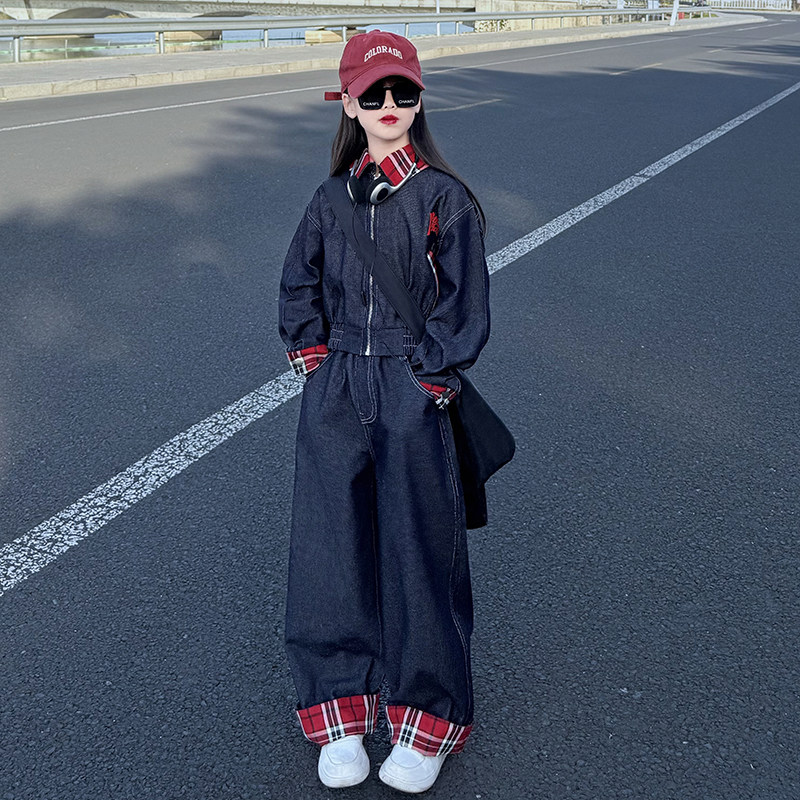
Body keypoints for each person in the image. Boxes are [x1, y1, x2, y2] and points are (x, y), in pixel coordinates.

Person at [278, 29, 490, 794]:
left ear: (419, 99)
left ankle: (424, 719)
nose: (390, 105)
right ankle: (339, 713)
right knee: (328, 548)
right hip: (337, 386)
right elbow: (298, 283)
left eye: (403, 91)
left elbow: (465, 303)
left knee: (419, 551)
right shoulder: (329, 199)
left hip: (410, 383)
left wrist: (429, 380)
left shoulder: (443, 198)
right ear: (348, 104)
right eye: (374, 94)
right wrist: (315, 363)